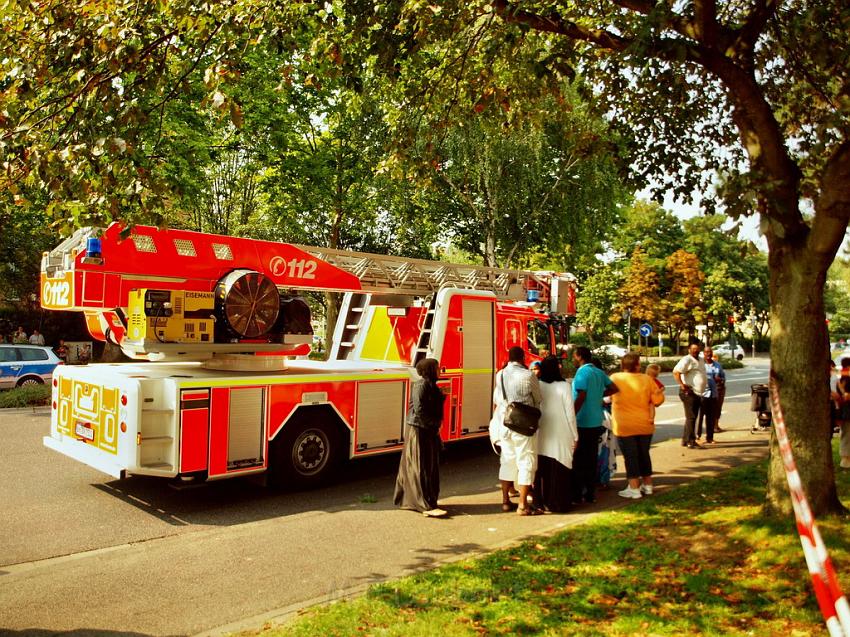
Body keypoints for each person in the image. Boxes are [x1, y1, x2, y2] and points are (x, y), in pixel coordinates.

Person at [492, 346, 542, 515]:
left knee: (507, 461)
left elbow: (497, 399)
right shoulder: (529, 375)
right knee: (526, 461)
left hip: (505, 423)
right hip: (523, 425)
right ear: (523, 358)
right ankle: (523, 505)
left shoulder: (500, 374)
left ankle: (505, 501)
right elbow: (538, 399)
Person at [394, 358, 448, 517]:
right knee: (420, 466)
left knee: (428, 466)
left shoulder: (431, 386)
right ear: (430, 370)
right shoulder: (421, 386)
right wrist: (434, 425)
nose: (440, 371)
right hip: (418, 430)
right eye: (437, 368)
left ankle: (428, 500)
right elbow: (419, 410)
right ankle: (423, 504)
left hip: (426, 429)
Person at [610, 352, 666, 498]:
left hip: (623, 425)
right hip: (644, 423)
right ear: (637, 365)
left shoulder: (615, 378)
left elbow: (607, 397)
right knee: (643, 454)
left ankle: (634, 488)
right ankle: (648, 485)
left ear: (623, 365)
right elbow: (658, 401)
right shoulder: (647, 379)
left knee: (630, 456)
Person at [571, 346, 619, 504]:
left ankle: (577, 494)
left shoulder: (582, 372)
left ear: (579, 356)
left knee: (578, 459)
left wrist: (572, 413)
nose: (572, 359)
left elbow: (581, 395)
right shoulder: (599, 372)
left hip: (582, 421)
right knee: (591, 458)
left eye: (574, 356)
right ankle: (590, 493)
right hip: (596, 421)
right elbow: (614, 388)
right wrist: (599, 395)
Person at [533, 355, 578, 512]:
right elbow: (570, 414)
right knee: (560, 467)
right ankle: (558, 503)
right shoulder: (564, 386)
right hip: (561, 431)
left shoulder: (538, 385)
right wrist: (575, 435)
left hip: (542, 430)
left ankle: (540, 502)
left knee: (541, 469)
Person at [673, 342, 707, 449]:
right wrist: (682, 385)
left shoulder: (701, 359)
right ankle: (691, 441)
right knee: (691, 417)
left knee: (691, 417)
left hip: (698, 392)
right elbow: (676, 372)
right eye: (693, 349)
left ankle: (685, 439)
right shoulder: (686, 359)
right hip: (689, 392)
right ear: (689, 350)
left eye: (697, 349)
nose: (695, 351)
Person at [702, 346, 726, 443]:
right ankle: (697, 436)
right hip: (703, 393)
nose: (708, 354)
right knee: (699, 416)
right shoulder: (700, 365)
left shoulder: (717, 365)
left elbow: (723, 378)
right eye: (706, 352)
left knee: (712, 415)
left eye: (710, 352)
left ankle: (710, 437)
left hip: (716, 392)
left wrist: (720, 380)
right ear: (703, 354)